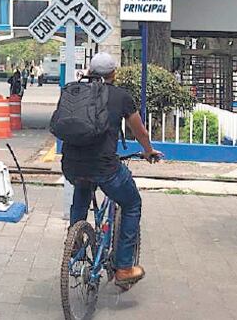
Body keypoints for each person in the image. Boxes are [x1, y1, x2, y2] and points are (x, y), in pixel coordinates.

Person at [61, 52, 163, 286]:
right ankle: (125, 267)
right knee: (131, 203)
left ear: (89, 71)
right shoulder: (120, 97)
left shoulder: (73, 91)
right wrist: (148, 151)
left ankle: (74, 238)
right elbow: (140, 132)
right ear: (113, 73)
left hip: (71, 164)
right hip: (105, 167)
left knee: (83, 187)